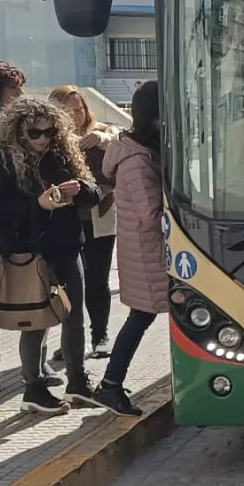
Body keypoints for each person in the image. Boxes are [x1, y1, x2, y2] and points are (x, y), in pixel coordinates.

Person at [0, 98, 101, 415]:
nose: (42, 139)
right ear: (18, 131)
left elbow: (93, 191)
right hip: (28, 252)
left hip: (65, 245)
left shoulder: (60, 153)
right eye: (34, 133)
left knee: (74, 316)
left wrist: (82, 188)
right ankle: (33, 388)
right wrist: (39, 204)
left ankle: (77, 382)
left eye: (49, 132)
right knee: (35, 321)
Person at [92, 82, 165, 417]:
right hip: (147, 254)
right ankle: (110, 385)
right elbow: (150, 214)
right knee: (140, 318)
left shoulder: (139, 150)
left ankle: (110, 383)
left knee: (141, 318)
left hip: (145, 252)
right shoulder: (136, 160)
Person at [50, 85, 120, 359]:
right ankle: (72, 339)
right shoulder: (53, 138)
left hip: (100, 215)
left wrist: (101, 138)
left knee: (97, 278)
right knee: (67, 280)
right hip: (66, 217)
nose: (76, 115)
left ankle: (100, 334)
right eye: (68, 111)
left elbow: (120, 142)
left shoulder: (103, 130)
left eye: (79, 109)